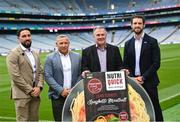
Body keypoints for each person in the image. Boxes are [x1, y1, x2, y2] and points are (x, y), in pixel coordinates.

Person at [123, 15, 163, 121]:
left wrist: (143, 77)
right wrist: (133, 78)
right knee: (137, 110)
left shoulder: (152, 41)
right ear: (131, 25)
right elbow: (125, 64)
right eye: (135, 23)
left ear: (144, 25)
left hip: (149, 81)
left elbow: (156, 63)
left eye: (139, 23)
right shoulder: (127, 44)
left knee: (155, 108)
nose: (137, 25)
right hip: (134, 82)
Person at [6, 28, 44, 121]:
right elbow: (15, 76)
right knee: (23, 120)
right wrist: (30, 90)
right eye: (24, 36)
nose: (27, 38)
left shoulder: (35, 53)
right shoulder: (13, 54)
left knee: (34, 119)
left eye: (29, 35)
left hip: (35, 94)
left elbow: (40, 72)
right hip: (22, 94)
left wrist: (39, 87)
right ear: (18, 39)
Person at [44, 35, 81, 121]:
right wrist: (61, 90)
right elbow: (48, 76)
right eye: (61, 43)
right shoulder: (50, 58)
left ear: (69, 44)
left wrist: (74, 89)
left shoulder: (77, 56)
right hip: (57, 95)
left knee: (75, 119)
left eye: (66, 43)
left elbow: (80, 74)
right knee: (59, 119)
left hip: (74, 95)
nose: (64, 45)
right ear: (56, 44)